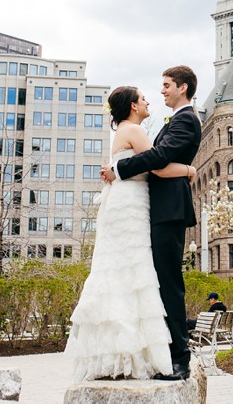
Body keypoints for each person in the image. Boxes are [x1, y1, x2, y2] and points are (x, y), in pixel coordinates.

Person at [65, 85, 197, 381]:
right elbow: (159, 167)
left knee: (122, 274)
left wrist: (117, 168)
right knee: (136, 275)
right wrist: (190, 171)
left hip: (124, 203)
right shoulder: (134, 131)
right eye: (143, 98)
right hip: (133, 205)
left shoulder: (124, 131)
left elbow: (147, 163)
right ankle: (141, 352)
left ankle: (120, 352)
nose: (149, 99)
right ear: (134, 107)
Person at [101, 66, 201, 382]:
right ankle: (166, 353)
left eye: (167, 85)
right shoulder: (176, 120)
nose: (162, 91)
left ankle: (180, 360)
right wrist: (186, 170)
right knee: (159, 282)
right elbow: (159, 157)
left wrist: (119, 168)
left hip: (169, 210)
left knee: (169, 283)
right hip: (158, 210)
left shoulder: (187, 119)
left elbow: (159, 157)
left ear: (182, 88)